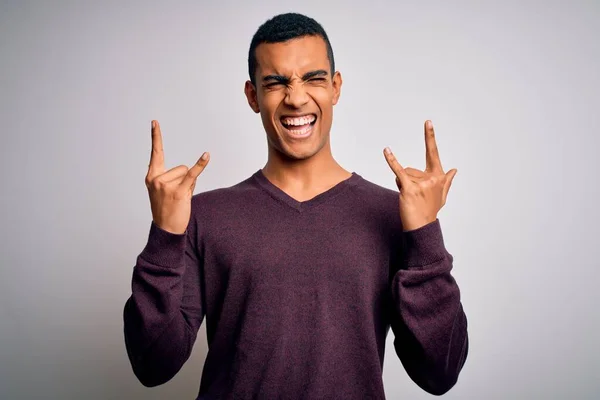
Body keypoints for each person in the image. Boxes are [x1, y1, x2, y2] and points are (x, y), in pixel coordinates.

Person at [123, 12, 468, 400]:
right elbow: (153, 365)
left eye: (314, 78)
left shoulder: (395, 214)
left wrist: (425, 236)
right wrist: (165, 236)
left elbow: (440, 372)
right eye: (276, 82)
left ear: (335, 87)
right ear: (253, 96)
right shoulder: (204, 215)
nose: (297, 97)